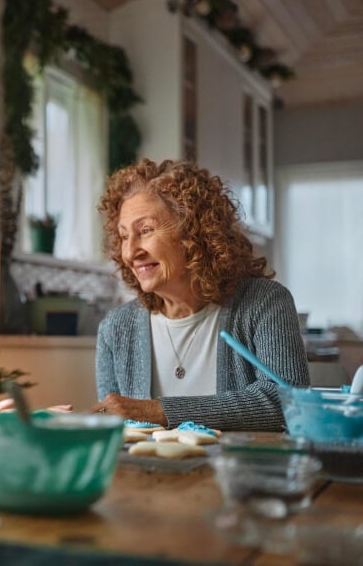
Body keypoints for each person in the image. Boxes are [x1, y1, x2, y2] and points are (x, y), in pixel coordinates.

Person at [91, 158, 308, 431]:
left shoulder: (264, 302)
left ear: (194, 231)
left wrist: (159, 411)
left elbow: (288, 404)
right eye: (124, 237)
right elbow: (116, 431)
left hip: (241, 472)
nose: (130, 252)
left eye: (145, 231)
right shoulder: (116, 328)